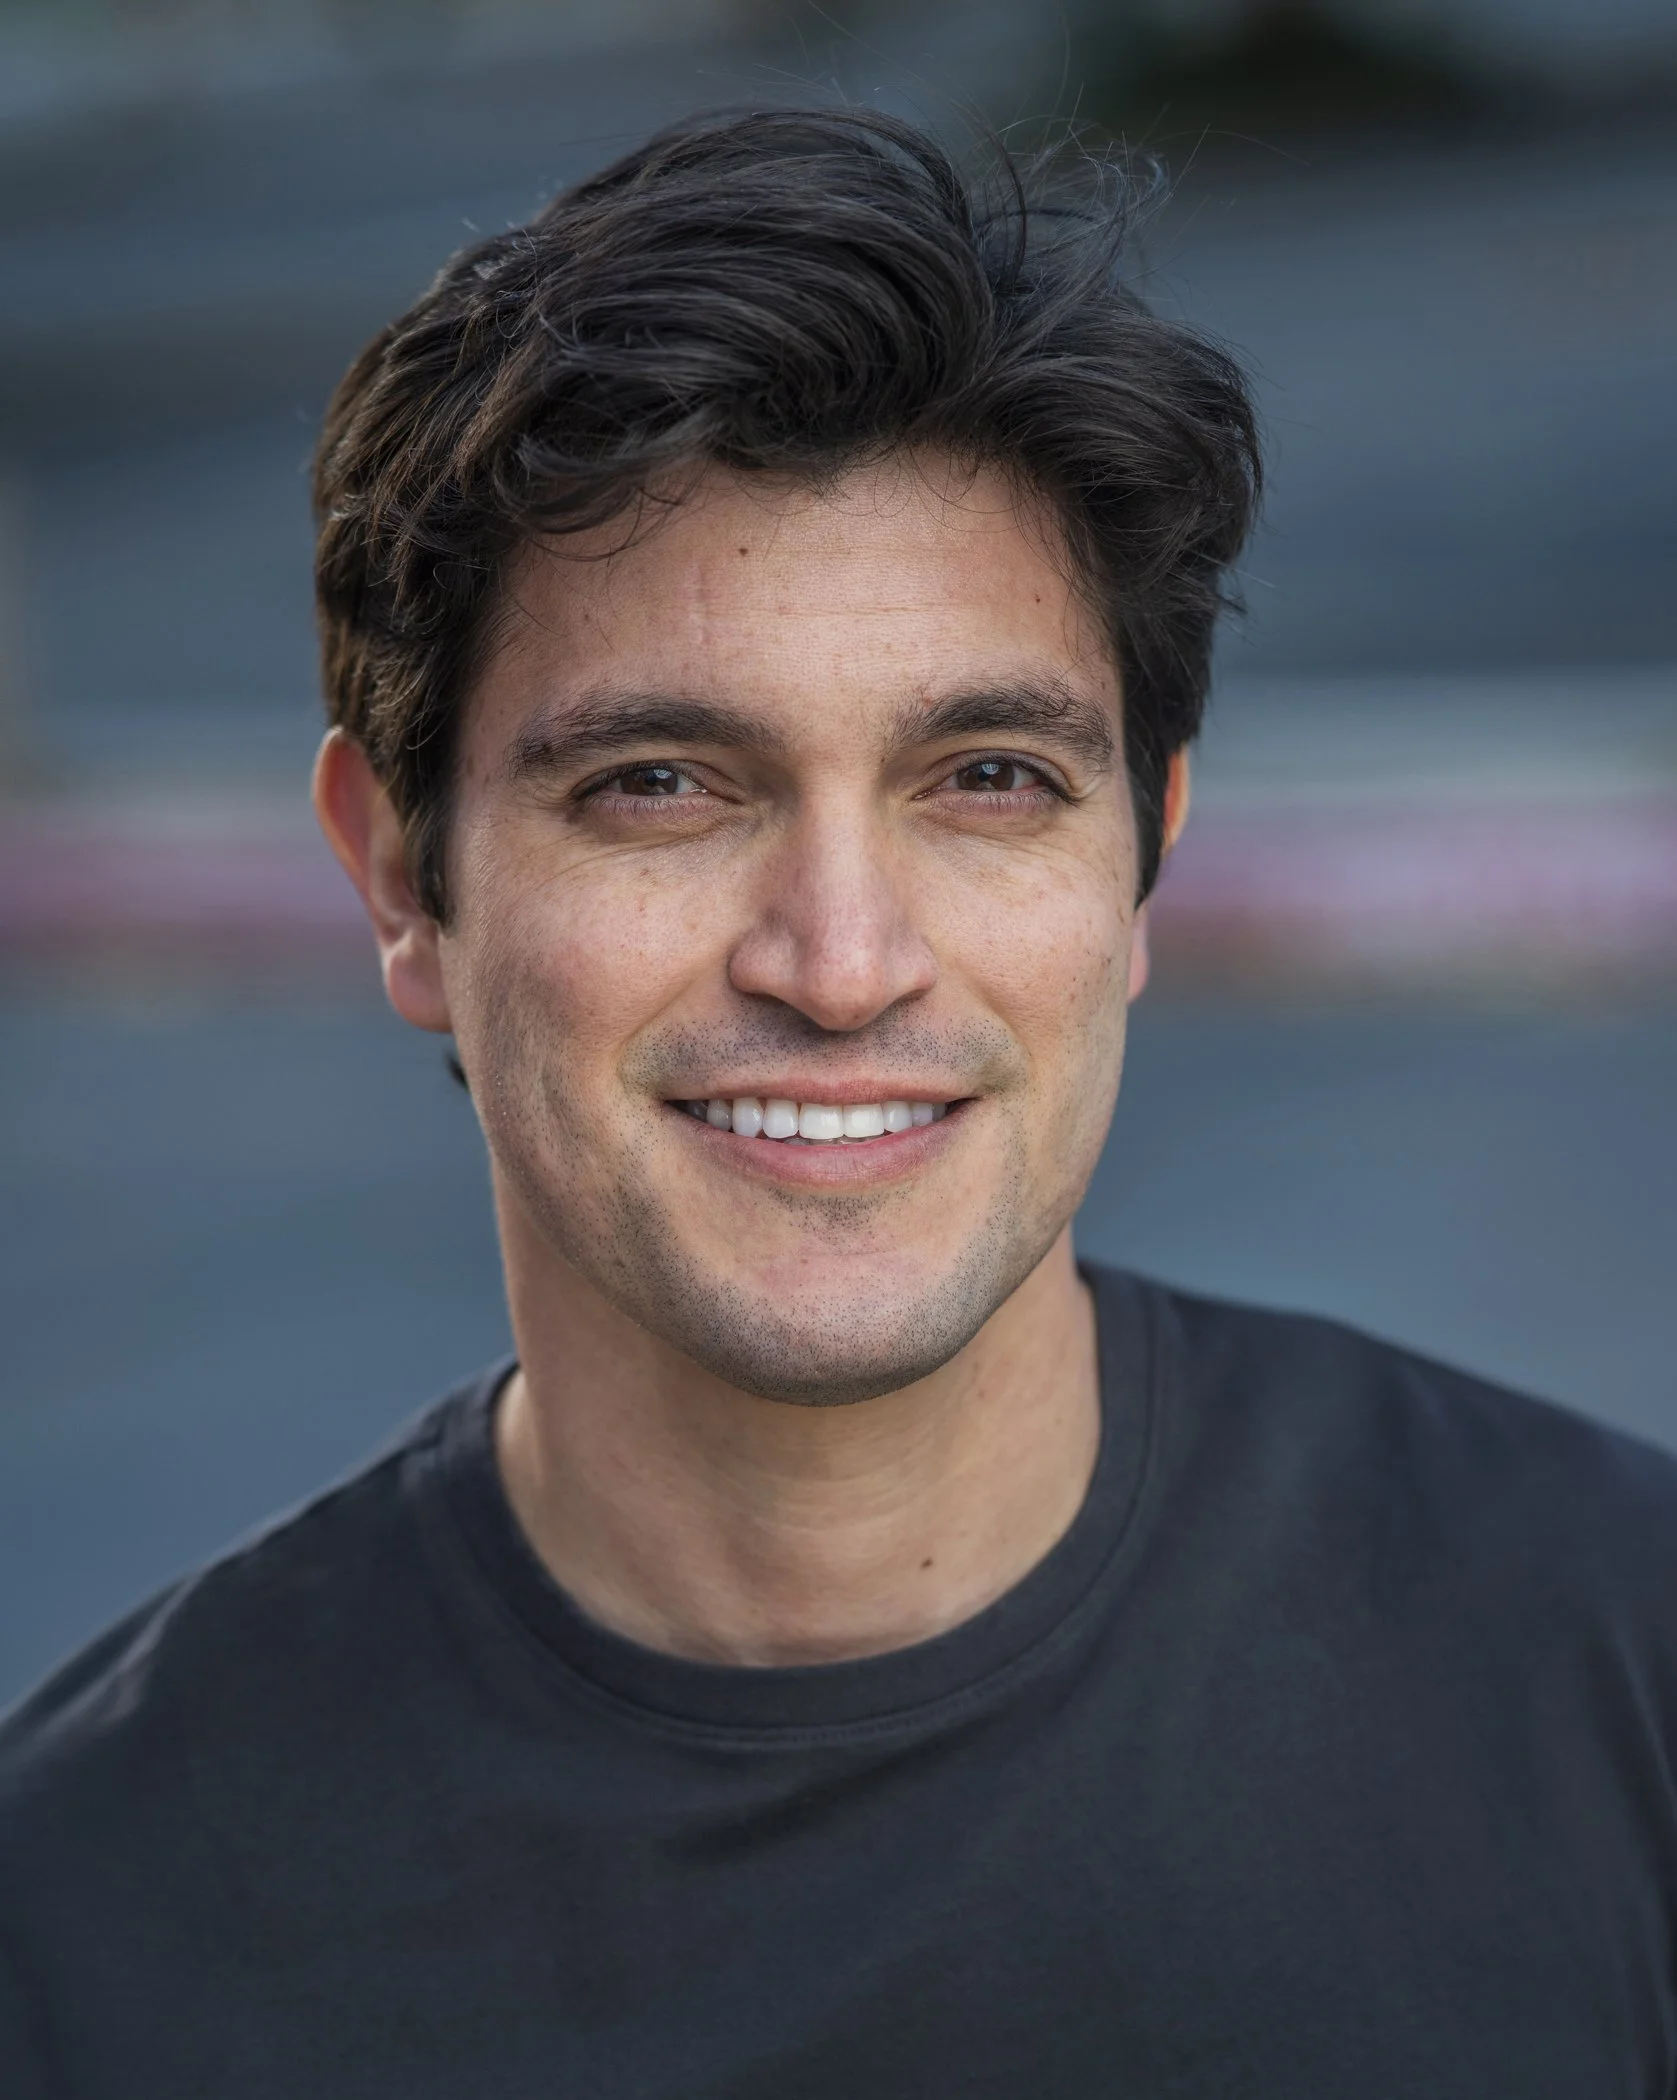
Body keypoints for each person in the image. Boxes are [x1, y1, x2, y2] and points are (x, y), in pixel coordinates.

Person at [3, 106, 1674, 2100]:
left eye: (985, 778)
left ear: (1140, 857)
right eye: (659, 785)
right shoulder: (85, 1927)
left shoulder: (1620, 1668)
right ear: (399, 877)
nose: (841, 957)